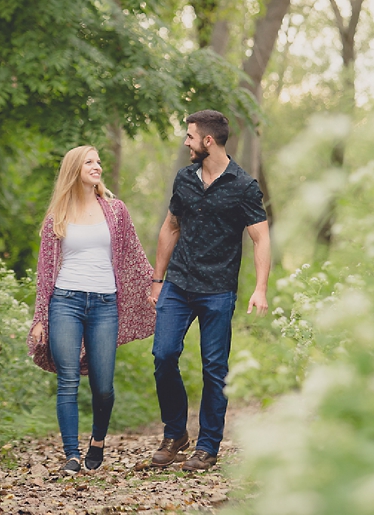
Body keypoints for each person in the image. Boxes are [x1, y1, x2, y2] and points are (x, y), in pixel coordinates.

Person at [149, 109, 271, 472]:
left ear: (207, 140)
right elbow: (171, 227)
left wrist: (260, 288)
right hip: (178, 283)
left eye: (189, 136)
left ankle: (207, 446)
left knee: (214, 368)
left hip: (218, 289)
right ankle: (175, 435)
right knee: (163, 355)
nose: (185, 142)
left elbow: (260, 238)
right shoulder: (184, 179)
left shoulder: (244, 185)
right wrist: (157, 280)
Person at [28, 146, 155, 474]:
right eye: (90, 162)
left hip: (105, 305)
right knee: (67, 380)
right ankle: (71, 454)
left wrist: (154, 286)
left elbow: (133, 256)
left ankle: (97, 441)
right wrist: (41, 316)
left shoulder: (115, 210)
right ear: (74, 169)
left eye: (99, 161)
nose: (97, 166)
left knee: (103, 385)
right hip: (65, 302)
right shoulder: (57, 216)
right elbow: (45, 271)